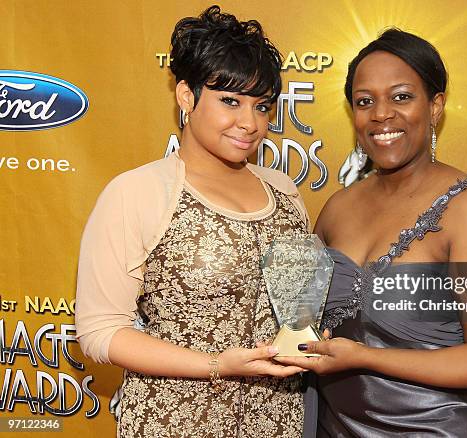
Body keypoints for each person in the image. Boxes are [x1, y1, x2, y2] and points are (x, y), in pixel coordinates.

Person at [277, 28, 467, 437]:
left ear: (436, 106)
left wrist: (365, 358)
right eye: (365, 101)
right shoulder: (338, 207)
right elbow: (299, 319)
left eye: (402, 97)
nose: (381, 114)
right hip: (334, 427)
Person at [75, 6, 309, 437]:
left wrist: (311, 334)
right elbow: (100, 332)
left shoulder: (285, 192)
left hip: (278, 422)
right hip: (173, 422)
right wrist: (217, 365)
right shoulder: (139, 192)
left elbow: (298, 313)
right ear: (186, 96)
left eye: (262, 107)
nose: (249, 123)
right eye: (230, 101)